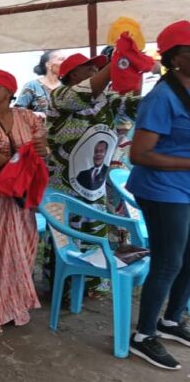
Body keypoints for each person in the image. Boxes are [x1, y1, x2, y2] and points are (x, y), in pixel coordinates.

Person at [46, 52, 140, 294]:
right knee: (64, 242)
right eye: (90, 68)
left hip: (93, 188)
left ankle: (90, 288)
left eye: (96, 68)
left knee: (93, 236)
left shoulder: (107, 100)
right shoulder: (61, 96)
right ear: (73, 74)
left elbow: (137, 107)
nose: (95, 73)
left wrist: (135, 70)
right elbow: (83, 94)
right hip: (63, 190)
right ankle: (62, 290)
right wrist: (113, 63)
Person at [127, 20, 190, 371]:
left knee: (188, 259)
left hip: (184, 186)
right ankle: (144, 334)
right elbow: (140, 154)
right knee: (169, 262)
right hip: (162, 191)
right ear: (177, 57)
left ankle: (171, 320)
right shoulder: (161, 97)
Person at [0, 69, 47, 335]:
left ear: (8, 91)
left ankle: (14, 306)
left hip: (19, 194)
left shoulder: (28, 117)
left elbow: (41, 149)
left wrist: (39, 151)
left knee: (23, 247)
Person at [16, 50, 66, 115]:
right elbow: (18, 112)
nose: (66, 62)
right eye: (61, 59)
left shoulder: (67, 86)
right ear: (48, 64)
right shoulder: (32, 86)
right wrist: (36, 115)